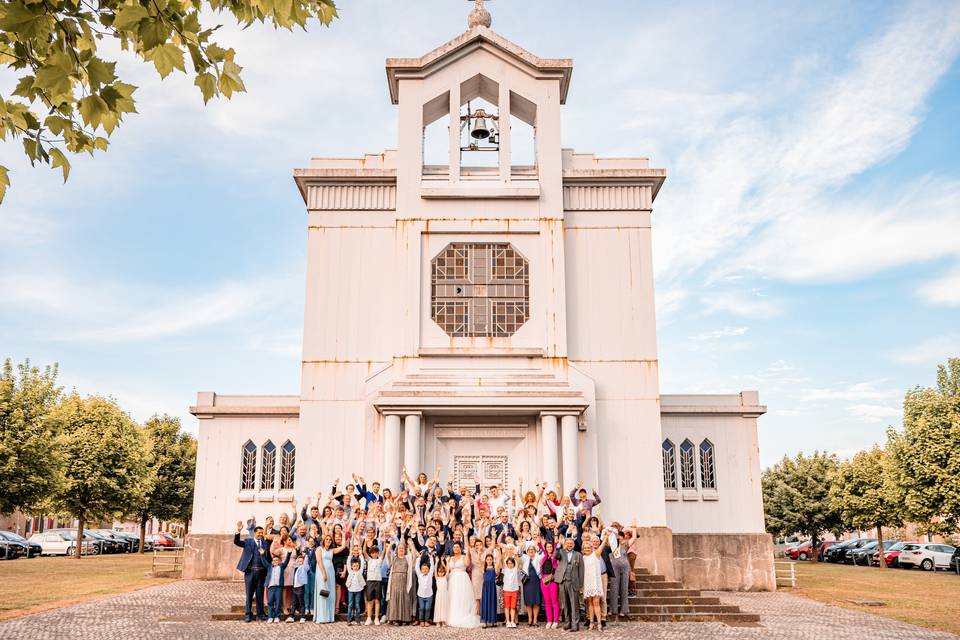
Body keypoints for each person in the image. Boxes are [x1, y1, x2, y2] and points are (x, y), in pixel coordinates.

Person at [233, 519, 268, 623]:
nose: (261, 534)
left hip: (261, 572)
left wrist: (263, 554)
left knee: (260, 594)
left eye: (262, 533)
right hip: (250, 572)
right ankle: (248, 615)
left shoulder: (265, 543)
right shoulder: (248, 541)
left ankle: (260, 614)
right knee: (249, 594)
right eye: (259, 533)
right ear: (254, 533)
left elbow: (267, 557)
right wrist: (238, 532)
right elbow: (237, 542)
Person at [445, 541, 480, 628]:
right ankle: (452, 615)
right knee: (453, 597)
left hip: (462, 578)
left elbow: (467, 564)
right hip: (452, 579)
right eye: (454, 547)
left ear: (460, 548)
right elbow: (447, 570)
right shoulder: (449, 558)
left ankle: (463, 615)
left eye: (457, 547)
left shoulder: (464, 557)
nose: (456, 548)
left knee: (462, 596)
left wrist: (467, 553)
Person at [556, 537, 584, 632]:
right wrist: (558, 545)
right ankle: (567, 622)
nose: (569, 545)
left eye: (571, 543)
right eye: (567, 543)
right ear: (565, 544)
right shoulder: (561, 552)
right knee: (565, 604)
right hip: (562, 581)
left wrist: (580, 585)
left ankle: (575, 624)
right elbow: (555, 556)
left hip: (573, 582)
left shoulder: (578, 555)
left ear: (574, 545)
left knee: (574, 604)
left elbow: (581, 570)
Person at [386, 537, 416, 624]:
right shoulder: (394, 558)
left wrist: (411, 545)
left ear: (405, 549)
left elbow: (414, 555)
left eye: (402, 548)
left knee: (404, 599)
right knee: (394, 599)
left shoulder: (407, 558)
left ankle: (404, 619)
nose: (401, 550)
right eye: (399, 548)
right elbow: (387, 554)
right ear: (397, 550)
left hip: (404, 581)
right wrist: (391, 544)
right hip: (394, 581)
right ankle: (394, 618)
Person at [581, 538, 606, 631]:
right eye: (585, 548)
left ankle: (599, 623)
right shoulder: (582, 558)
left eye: (588, 547)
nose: (587, 549)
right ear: (583, 549)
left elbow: (602, 545)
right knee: (589, 603)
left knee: (596, 603)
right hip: (587, 582)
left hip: (595, 582)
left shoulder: (595, 555)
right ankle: (591, 623)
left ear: (591, 548)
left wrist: (606, 537)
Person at [262, 548, 292, 623]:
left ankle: (277, 616)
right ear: (272, 562)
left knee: (278, 602)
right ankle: (270, 616)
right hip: (271, 587)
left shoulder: (281, 567)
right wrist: (262, 555)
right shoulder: (269, 567)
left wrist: (288, 554)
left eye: (277, 560)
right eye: (274, 560)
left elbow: (286, 561)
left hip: (278, 587)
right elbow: (264, 562)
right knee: (270, 602)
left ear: (279, 562)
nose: (275, 562)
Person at [313, 534, 336, 624]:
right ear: (323, 540)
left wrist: (343, 533)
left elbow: (343, 547)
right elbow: (319, 561)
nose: (328, 541)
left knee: (330, 593)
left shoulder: (331, 550)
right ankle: (322, 617)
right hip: (322, 572)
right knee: (323, 592)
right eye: (327, 539)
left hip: (331, 572)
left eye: (330, 540)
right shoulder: (319, 549)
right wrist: (323, 573)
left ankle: (329, 616)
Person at [521, 542, 543, 626]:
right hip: (527, 582)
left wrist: (536, 546)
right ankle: (530, 620)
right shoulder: (525, 557)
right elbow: (519, 553)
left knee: (536, 602)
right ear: (527, 551)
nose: (531, 551)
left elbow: (542, 554)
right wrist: (521, 544)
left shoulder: (537, 557)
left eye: (532, 549)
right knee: (529, 602)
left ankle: (535, 620)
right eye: (529, 549)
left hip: (536, 581)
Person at [539, 540, 559, 628]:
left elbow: (556, 549)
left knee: (554, 601)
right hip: (544, 580)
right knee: (547, 602)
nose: (549, 548)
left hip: (552, 580)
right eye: (548, 547)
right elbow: (541, 547)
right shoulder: (545, 557)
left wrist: (556, 542)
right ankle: (549, 620)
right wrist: (539, 543)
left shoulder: (554, 557)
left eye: (551, 547)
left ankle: (555, 620)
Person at [363, 541, 383, 625]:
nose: (375, 554)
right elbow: (364, 551)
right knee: (369, 601)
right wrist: (365, 542)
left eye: (376, 552)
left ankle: (376, 618)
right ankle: (369, 618)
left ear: (378, 553)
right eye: (373, 553)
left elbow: (384, 552)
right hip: (370, 581)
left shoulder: (379, 560)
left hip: (378, 581)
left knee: (377, 601)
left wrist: (385, 542)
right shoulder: (369, 560)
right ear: (371, 553)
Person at [479, 553, 499, 628]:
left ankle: (493, 621)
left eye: (491, 559)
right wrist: (479, 552)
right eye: (488, 559)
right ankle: (485, 621)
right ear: (486, 560)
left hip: (492, 587)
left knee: (492, 602)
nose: (489, 561)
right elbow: (479, 560)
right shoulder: (483, 568)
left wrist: (498, 553)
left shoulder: (494, 568)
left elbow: (497, 572)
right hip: (486, 588)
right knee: (485, 602)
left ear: (492, 560)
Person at [345, 557, 366, 625]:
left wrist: (361, 555)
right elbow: (348, 562)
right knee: (350, 604)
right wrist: (350, 555)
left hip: (358, 590)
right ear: (351, 566)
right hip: (351, 590)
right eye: (354, 566)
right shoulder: (350, 571)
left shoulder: (360, 572)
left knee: (357, 605)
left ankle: (358, 619)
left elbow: (362, 563)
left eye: (357, 566)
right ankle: (349, 619)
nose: (356, 567)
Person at [416, 554, 435, 626]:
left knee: (427, 608)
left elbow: (432, 567)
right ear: (421, 570)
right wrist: (418, 558)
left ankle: (426, 620)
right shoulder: (419, 575)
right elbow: (416, 568)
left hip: (429, 595)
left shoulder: (430, 575)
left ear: (429, 570)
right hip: (420, 595)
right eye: (423, 569)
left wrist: (431, 558)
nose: (424, 570)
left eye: (426, 569)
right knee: (421, 608)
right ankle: (421, 620)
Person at [501, 555, 520, 628]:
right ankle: (508, 621)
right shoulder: (505, 569)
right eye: (508, 563)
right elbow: (502, 560)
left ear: (513, 564)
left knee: (513, 606)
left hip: (514, 590)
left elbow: (517, 561)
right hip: (506, 590)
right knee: (507, 607)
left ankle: (512, 621)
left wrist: (515, 556)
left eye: (511, 563)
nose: (510, 564)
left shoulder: (515, 569)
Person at [291, 552, 311, 623]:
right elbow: (294, 564)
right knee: (293, 602)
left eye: (301, 561)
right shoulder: (295, 568)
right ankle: (292, 616)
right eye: (299, 561)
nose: (300, 562)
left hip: (300, 587)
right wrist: (298, 558)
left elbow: (306, 563)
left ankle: (303, 617)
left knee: (301, 602)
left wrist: (305, 556)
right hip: (294, 587)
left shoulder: (304, 568)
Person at [433, 559, 449, 627]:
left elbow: (448, 570)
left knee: (444, 607)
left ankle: (444, 620)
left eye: (442, 572)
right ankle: (438, 621)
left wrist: (445, 562)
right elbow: (434, 570)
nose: (441, 573)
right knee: (438, 606)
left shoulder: (445, 578)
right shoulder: (437, 578)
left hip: (445, 594)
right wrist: (436, 562)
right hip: (439, 595)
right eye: (439, 572)